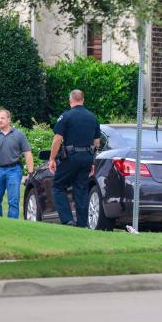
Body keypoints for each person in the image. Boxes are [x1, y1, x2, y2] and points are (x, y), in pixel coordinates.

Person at [49, 89, 100, 226]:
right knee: (81, 189)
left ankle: (67, 219)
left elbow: (57, 139)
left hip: (71, 157)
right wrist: (93, 162)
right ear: (83, 100)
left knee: (58, 186)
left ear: (70, 101)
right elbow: (96, 142)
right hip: (87, 158)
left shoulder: (66, 116)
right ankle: (82, 224)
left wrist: (52, 158)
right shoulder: (92, 117)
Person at [0, 109, 34, 218]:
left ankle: (12, 226)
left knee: (13, 202)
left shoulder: (19, 135)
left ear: (9, 120)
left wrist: (30, 172)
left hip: (14, 170)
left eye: (3, 118)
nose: (0, 120)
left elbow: (28, 154)